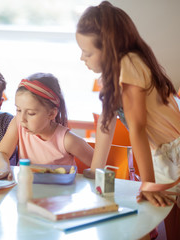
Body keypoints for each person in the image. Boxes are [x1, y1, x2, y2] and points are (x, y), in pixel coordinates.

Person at [76, 1, 180, 239]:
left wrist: (148, 183)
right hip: (162, 154)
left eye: (88, 52)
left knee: (164, 219)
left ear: (109, 47)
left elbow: (138, 128)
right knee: (166, 219)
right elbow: (106, 124)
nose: (82, 58)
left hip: (175, 151)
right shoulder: (113, 74)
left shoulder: (129, 64)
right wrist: (95, 169)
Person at [0, 73, 94, 180]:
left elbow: (98, 166)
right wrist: (4, 167)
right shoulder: (17, 124)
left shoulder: (67, 140)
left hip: (58, 194)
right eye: (18, 110)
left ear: (51, 114)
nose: (22, 118)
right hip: (27, 192)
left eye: (31, 113)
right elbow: (2, 153)